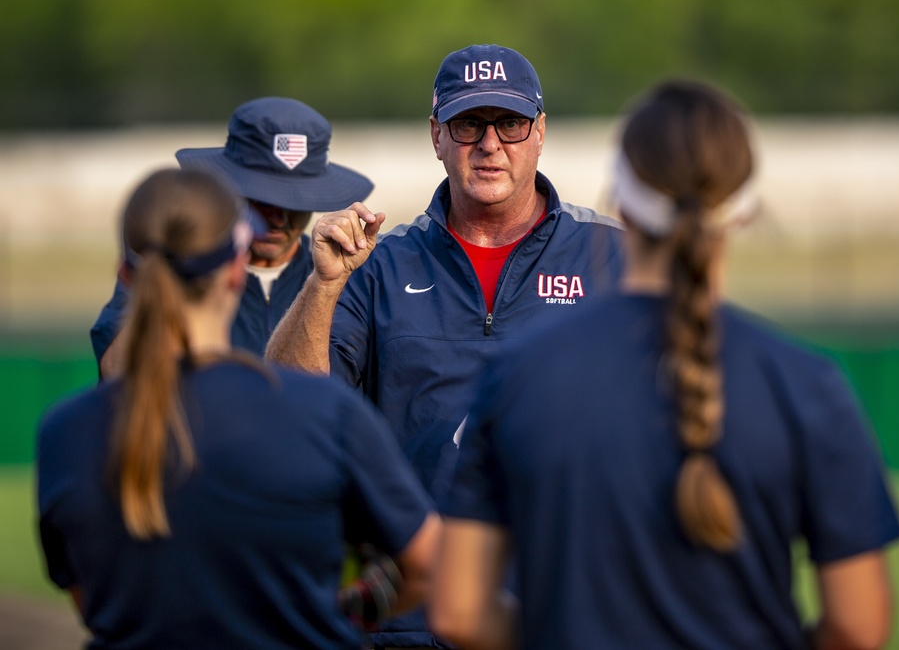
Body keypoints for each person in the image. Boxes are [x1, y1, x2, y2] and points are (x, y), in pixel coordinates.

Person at [429, 80, 899, 650]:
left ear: (622, 201)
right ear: (745, 211)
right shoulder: (807, 384)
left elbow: (459, 612)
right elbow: (858, 626)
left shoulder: (518, 373)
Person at [265, 44, 625, 648]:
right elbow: (289, 407)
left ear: (539, 133)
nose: (490, 144)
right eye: (467, 124)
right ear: (436, 136)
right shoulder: (377, 265)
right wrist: (324, 284)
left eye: (509, 123)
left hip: (566, 613)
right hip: (411, 621)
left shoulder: (612, 257)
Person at [37, 168, 440, 649]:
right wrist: (341, 613)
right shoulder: (323, 413)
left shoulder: (64, 433)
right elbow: (427, 565)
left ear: (125, 276)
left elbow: (92, 605)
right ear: (235, 270)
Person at [90, 96, 374, 378]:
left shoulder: (343, 276)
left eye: (294, 203)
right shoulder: (176, 262)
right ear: (230, 188)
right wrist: (178, 273)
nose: (278, 219)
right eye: (263, 200)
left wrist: (323, 286)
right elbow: (118, 371)